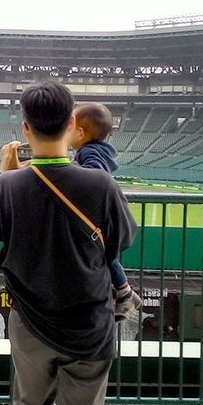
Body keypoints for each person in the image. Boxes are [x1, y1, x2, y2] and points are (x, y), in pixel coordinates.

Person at [0, 81, 137, 405]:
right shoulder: (100, 183)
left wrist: (1, 178)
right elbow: (121, 240)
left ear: (26, 129)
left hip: (31, 325)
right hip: (90, 325)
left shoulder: (7, 185)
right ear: (71, 121)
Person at [68, 102, 142, 322]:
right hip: (102, 216)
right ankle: (125, 293)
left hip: (100, 219)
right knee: (105, 256)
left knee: (106, 256)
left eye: (70, 126)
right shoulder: (93, 149)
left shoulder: (89, 151)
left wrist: (70, 170)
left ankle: (125, 293)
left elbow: (96, 176)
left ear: (81, 133)